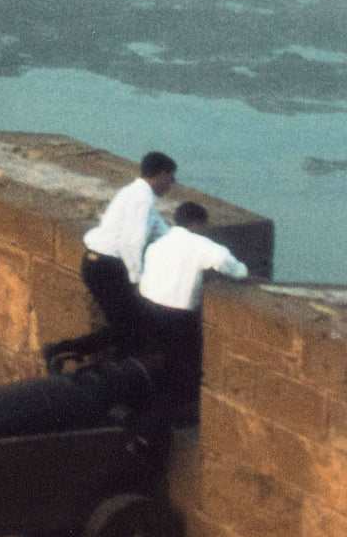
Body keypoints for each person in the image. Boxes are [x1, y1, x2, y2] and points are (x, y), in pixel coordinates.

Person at [43, 151, 177, 364]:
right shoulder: (141, 199)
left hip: (98, 263)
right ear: (161, 174)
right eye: (171, 177)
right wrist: (137, 279)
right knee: (129, 327)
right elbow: (131, 242)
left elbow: (160, 229)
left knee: (128, 324)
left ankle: (65, 350)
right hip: (106, 267)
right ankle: (64, 350)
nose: (172, 183)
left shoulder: (133, 192)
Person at [138, 201, 248, 410]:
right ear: (197, 224)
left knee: (157, 362)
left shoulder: (158, 243)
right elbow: (227, 262)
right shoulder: (199, 244)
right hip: (176, 316)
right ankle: (176, 411)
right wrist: (243, 273)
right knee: (183, 364)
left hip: (148, 307)